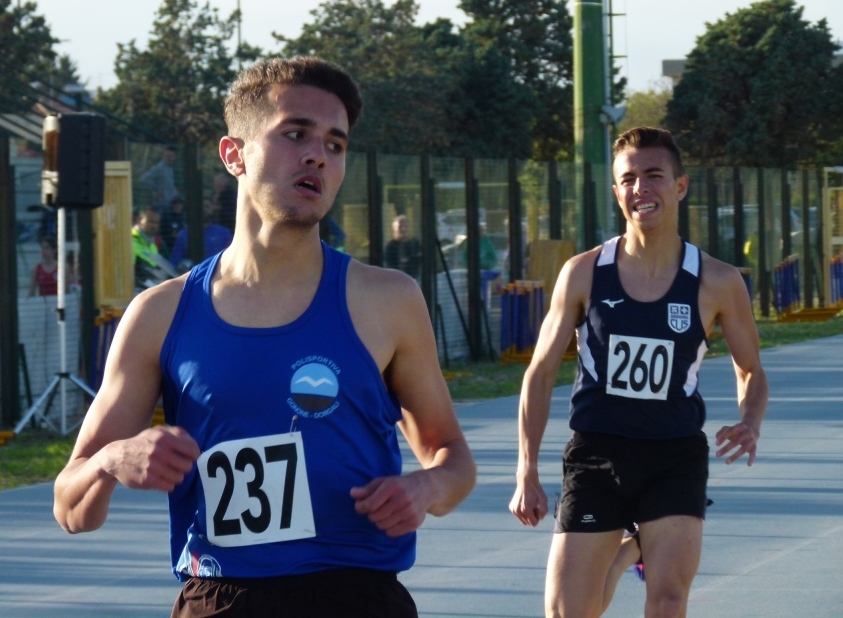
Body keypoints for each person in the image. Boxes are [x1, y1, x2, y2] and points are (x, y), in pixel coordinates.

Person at [53, 55, 476, 618]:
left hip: (359, 596)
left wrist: (427, 489)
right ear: (235, 154)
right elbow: (71, 508)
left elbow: (453, 459)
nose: (317, 155)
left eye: (335, 144)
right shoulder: (159, 314)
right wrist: (112, 458)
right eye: (295, 134)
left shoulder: (388, 300)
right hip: (222, 599)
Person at [508, 126, 768, 618]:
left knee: (667, 602)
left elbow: (751, 369)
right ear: (616, 191)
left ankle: (640, 540)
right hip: (596, 453)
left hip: (673, 455)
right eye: (628, 179)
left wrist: (750, 422)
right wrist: (527, 470)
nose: (640, 189)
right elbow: (539, 373)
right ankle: (635, 544)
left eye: (654, 176)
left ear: (680, 186)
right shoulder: (583, 272)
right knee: (567, 612)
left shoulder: (718, 281)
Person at [168, 199, 234, 270]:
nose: (203, 209)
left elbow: (232, 260)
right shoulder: (184, 235)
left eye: (206, 206)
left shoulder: (224, 233)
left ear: (212, 209)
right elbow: (174, 263)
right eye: (200, 207)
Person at [132, 207, 175, 290]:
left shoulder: (152, 244)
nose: (154, 226)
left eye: (156, 223)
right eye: (150, 221)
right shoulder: (129, 239)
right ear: (139, 221)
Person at [140, 145, 180, 211]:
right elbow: (144, 178)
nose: (170, 158)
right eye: (168, 156)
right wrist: (156, 189)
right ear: (164, 156)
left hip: (171, 203)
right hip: (162, 204)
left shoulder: (171, 168)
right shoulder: (159, 168)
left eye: (172, 156)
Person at [384, 214, 421, 279]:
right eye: (400, 226)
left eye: (405, 226)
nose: (403, 229)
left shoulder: (415, 244)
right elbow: (389, 267)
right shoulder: (390, 247)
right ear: (394, 229)